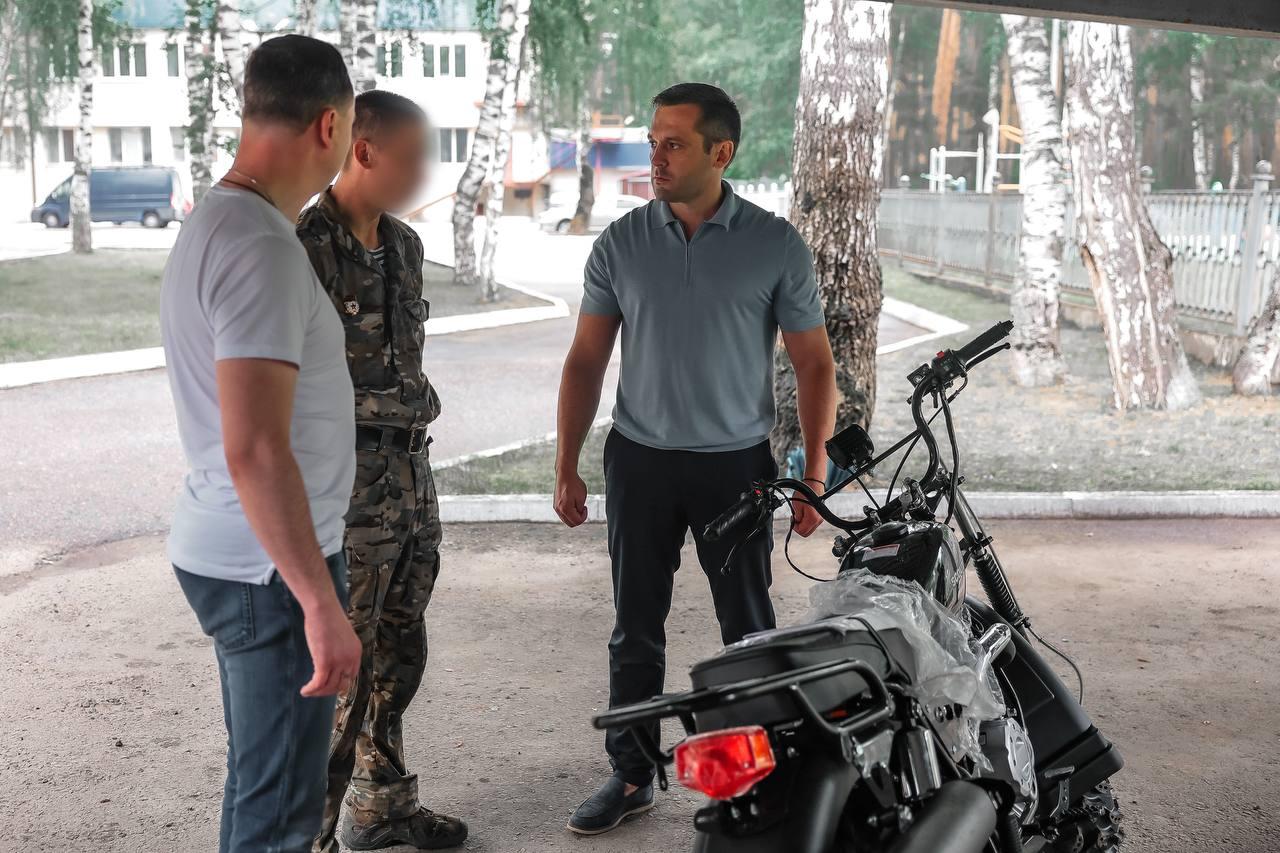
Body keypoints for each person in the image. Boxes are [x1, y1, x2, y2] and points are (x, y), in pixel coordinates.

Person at [554, 82, 839, 835]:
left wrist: (813, 473)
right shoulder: (621, 241)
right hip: (639, 460)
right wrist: (566, 462)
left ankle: (764, 773)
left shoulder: (775, 244)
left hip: (735, 466)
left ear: (722, 152)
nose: (656, 156)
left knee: (747, 625)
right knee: (634, 624)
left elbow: (815, 366)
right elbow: (585, 361)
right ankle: (631, 770)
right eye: (652, 141)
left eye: (673, 143)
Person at [159, 35, 362, 853]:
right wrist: (319, 600)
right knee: (279, 813)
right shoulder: (261, 247)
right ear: (327, 125)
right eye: (351, 127)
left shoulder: (222, 218)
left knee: (264, 782)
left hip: (249, 553)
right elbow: (254, 447)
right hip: (269, 566)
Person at [296, 90, 466, 853]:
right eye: (413, 157)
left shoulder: (403, 245)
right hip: (347, 494)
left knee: (401, 651)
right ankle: (310, 835)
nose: (426, 173)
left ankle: (381, 804)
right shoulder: (303, 247)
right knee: (341, 676)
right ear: (363, 150)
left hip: (410, 479)